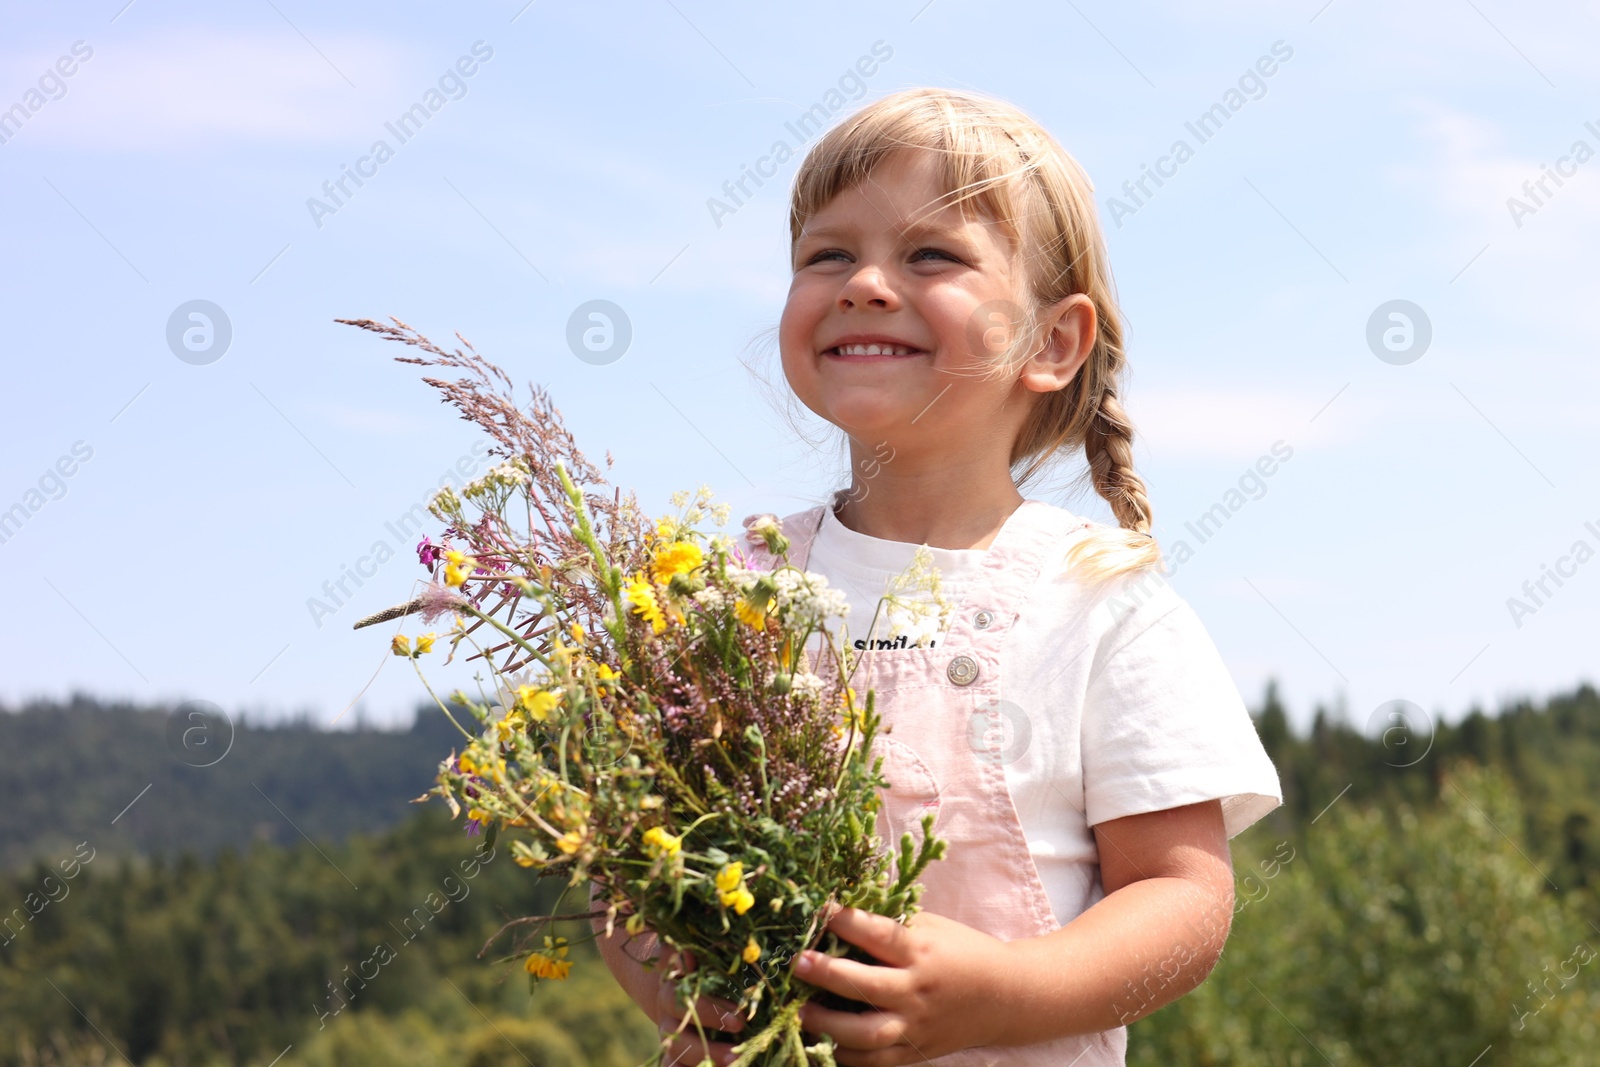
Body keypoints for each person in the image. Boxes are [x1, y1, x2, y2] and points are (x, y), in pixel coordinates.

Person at [596, 86, 1283, 1066]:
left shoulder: (1101, 599)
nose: (865, 282)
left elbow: (1179, 902)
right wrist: (675, 979)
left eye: (932, 255)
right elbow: (627, 871)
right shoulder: (724, 593)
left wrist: (997, 996)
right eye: (825, 254)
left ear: (1050, 341)